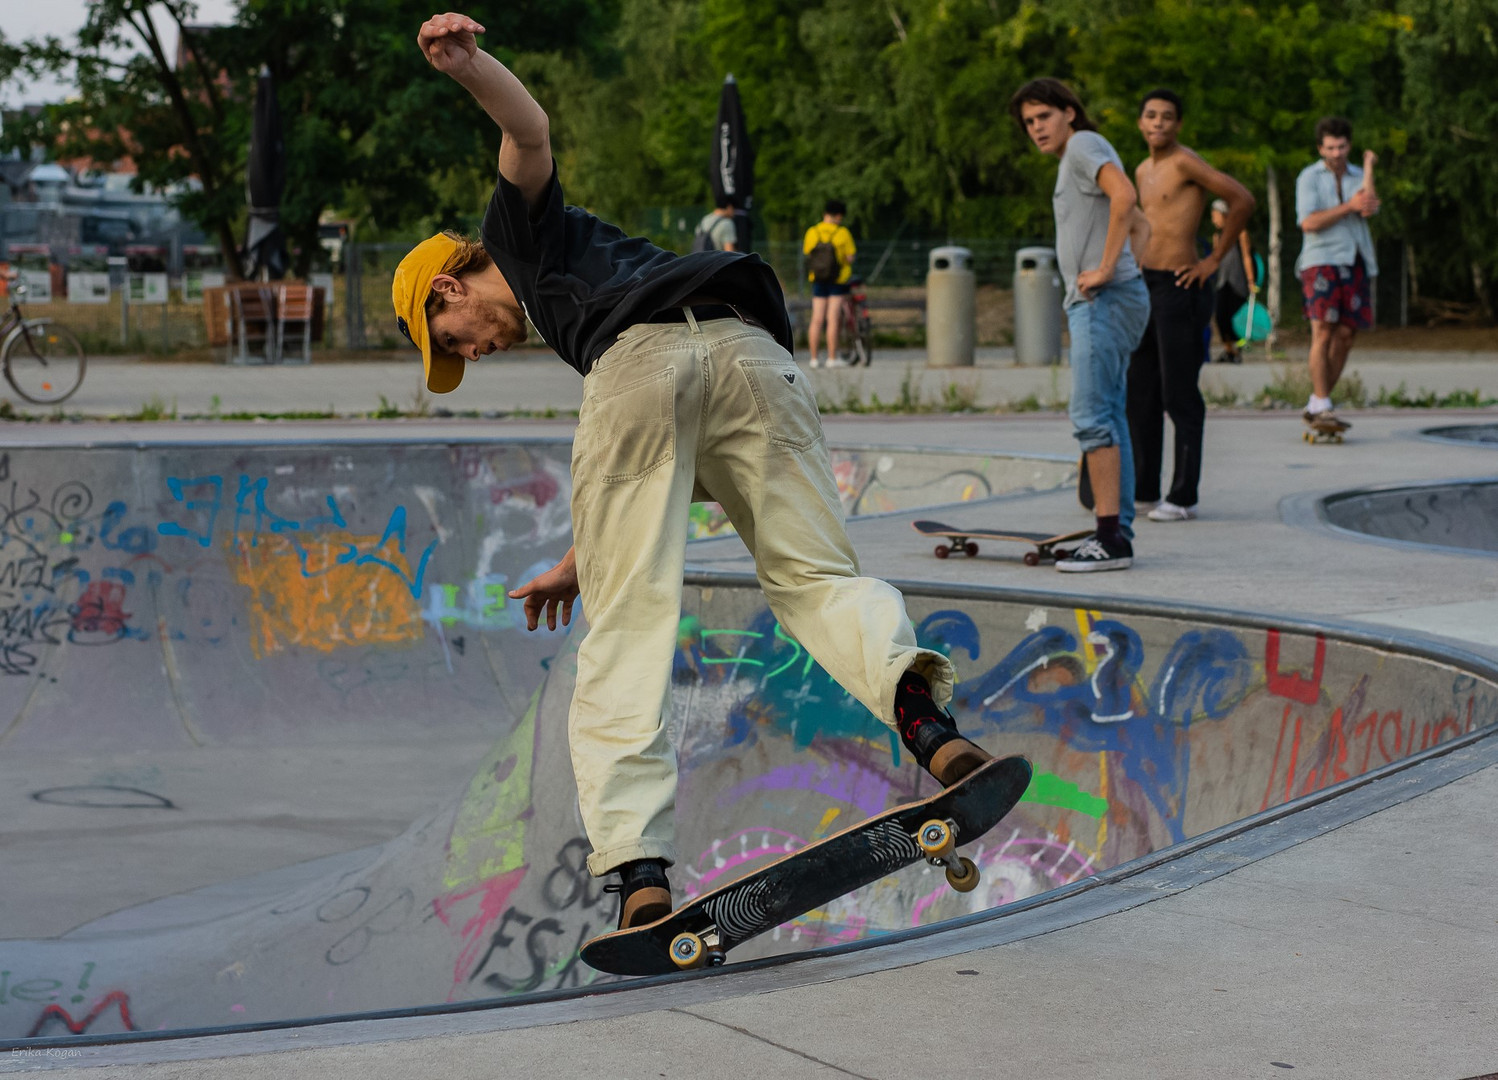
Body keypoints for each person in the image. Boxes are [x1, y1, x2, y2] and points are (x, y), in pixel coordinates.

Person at [392, 13, 992, 931]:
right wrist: (579, 555)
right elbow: (684, 468)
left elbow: (527, 130)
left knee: (627, 629)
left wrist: (470, 67)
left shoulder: (517, 233)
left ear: (447, 289)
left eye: (454, 342)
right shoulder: (594, 267)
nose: (471, 353)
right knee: (818, 578)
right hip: (752, 355)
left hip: (639, 367)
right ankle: (934, 735)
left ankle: (637, 874)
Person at [1010, 77, 1149, 572]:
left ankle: (1110, 539)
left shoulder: (1085, 144)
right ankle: (1115, 534)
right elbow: (1143, 226)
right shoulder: (1077, 156)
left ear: (1070, 112)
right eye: (1028, 123)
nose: (1036, 129)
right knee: (1108, 416)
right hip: (1109, 297)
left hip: (1102, 298)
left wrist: (1110, 269)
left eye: (1043, 116)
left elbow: (1126, 196)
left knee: (1092, 417)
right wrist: (1129, 273)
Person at [1128, 88, 1255, 523]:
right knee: (1140, 391)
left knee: (1179, 391)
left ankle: (1183, 496)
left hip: (1181, 285)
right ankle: (1144, 488)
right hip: (1144, 285)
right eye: (1151, 115)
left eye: (1167, 116)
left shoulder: (1185, 162)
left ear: (1177, 124)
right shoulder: (1143, 168)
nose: (1158, 123)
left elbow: (1242, 199)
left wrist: (1212, 261)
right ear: (1141, 122)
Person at [1296, 116, 1378, 427]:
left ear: (1349, 145)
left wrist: (1368, 168)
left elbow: (1368, 208)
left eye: (1341, 146)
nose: (1336, 153)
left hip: (1356, 259)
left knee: (1346, 334)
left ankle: (1318, 403)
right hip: (1321, 260)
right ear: (1320, 148)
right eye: (1329, 147)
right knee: (1323, 331)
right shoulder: (1309, 178)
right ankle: (1323, 404)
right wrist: (1348, 207)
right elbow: (1309, 222)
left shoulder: (1358, 175)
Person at [802, 200, 857, 368]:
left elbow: (807, 253)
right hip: (837, 281)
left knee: (817, 318)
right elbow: (850, 257)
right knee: (832, 318)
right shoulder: (843, 233)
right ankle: (832, 358)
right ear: (839, 215)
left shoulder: (812, 231)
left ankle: (813, 359)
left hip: (818, 279)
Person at [1211, 198, 1257, 364]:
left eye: (1215, 215)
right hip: (1222, 281)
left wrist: (1251, 281)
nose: (1213, 219)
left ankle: (1236, 351)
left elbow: (1246, 257)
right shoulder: (1217, 236)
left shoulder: (1240, 233)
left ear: (1224, 215)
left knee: (1234, 318)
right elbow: (1217, 258)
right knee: (1220, 316)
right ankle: (1229, 350)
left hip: (1238, 281)